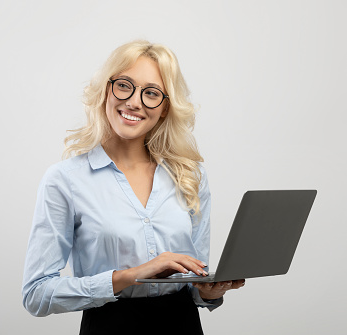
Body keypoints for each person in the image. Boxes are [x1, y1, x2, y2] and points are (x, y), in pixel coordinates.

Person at [22, 40, 244, 334]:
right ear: (106, 90)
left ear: (165, 108)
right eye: (125, 85)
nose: (134, 102)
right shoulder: (65, 180)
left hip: (184, 326)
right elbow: (36, 294)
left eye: (151, 93)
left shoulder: (190, 176)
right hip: (109, 326)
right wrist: (130, 276)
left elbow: (194, 282)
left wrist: (209, 292)